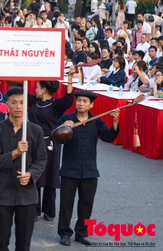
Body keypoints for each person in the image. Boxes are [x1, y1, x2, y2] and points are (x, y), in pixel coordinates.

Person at [54, 90, 119, 246]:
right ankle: (64, 233)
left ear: (91, 104)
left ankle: (81, 233)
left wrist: (115, 121)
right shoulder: (67, 119)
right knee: (66, 204)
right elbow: (54, 136)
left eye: (85, 101)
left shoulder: (96, 121)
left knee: (86, 204)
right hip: (70, 170)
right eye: (79, 101)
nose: (81, 103)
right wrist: (63, 126)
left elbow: (108, 137)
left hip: (90, 171)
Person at [0, 86, 47, 251]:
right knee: (1, 242)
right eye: (14, 102)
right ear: (7, 104)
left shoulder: (35, 130)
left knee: (23, 244)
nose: (18, 106)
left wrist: (31, 174)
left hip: (26, 194)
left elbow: (41, 159)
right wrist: (15, 153)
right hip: (2, 193)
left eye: (22, 102)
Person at [28, 75, 75, 223]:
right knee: (34, 175)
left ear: (43, 90)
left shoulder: (55, 105)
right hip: (35, 142)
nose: (35, 89)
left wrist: (70, 78)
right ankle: (34, 210)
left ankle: (49, 210)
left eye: (37, 87)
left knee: (50, 176)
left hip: (51, 143)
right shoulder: (34, 101)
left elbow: (68, 99)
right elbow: (19, 90)